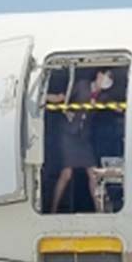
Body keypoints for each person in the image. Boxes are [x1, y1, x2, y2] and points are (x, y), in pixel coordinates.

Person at [46, 69, 115, 214]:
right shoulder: (82, 85)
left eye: (110, 79)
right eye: (106, 77)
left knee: (93, 174)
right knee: (66, 173)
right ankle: (53, 209)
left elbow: (113, 106)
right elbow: (63, 98)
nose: (106, 81)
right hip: (69, 134)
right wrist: (48, 98)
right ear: (99, 75)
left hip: (84, 137)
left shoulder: (103, 96)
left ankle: (99, 210)